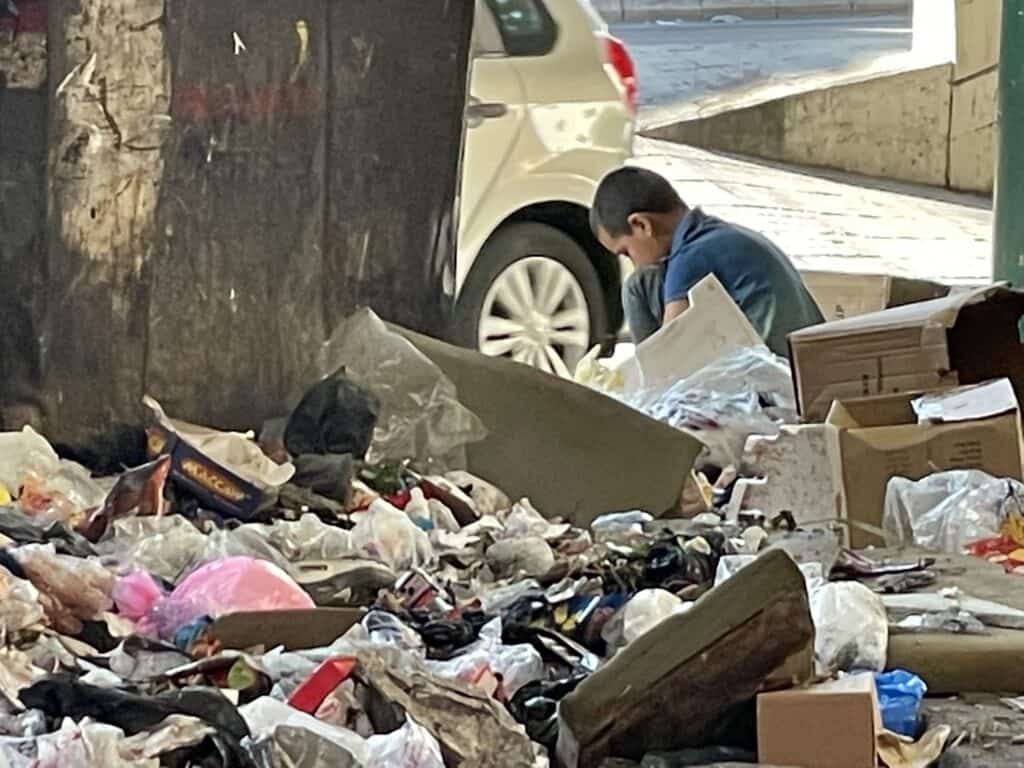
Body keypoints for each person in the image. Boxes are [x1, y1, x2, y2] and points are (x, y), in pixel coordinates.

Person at [590, 167, 823, 357]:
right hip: (808, 358)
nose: (635, 263)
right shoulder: (716, 235)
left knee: (636, 285)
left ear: (642, 225)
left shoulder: (691, 258)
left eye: (627, 253)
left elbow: (667, 360)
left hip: (786, 379)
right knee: (642, 283)